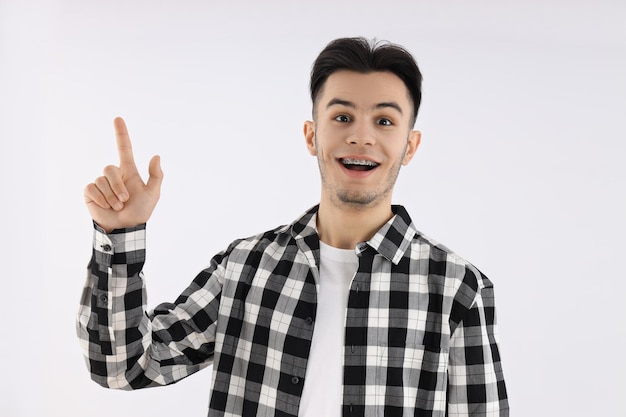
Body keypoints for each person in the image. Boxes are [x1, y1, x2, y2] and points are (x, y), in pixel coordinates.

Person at [77, 37, 509, 417]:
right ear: (311, 135)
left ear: (409, 145)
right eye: (342, 117)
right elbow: (123, 366)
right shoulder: (246, 267)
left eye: (384, 120)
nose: (361, 137)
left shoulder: (457, 290)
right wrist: (121, 236)